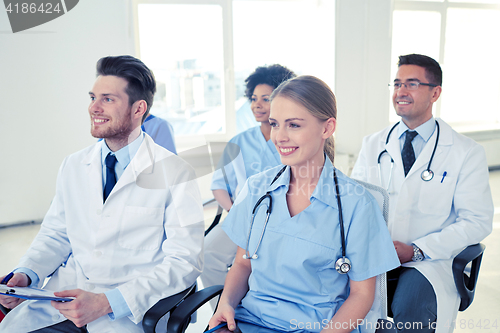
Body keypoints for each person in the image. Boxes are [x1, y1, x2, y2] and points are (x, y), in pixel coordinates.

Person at [0, 55, 204, 332]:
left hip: (124, 313)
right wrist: (26, 274)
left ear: (138, 109)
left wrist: (108, 301)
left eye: (108, 99)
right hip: (63, 302)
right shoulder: (73, 165)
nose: (93, 107)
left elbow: (184, 262)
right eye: (93, 97)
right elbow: (56, 234)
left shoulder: (176, 173)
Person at [208, 75, 400, 333]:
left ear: (327, 128)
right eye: (275, 124)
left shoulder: (357, 205)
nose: (280, 137)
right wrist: (226, 303)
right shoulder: (257, 188)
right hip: (250, 321)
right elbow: (243, 263)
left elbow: (362, 295)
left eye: (294, 125)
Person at [351, 54, 494, 333]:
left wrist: (416, 250)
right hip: (376, 256)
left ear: (435, 92)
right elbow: (357, 203)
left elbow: (476, 221)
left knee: (411, 302)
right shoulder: (374, 144)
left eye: (412, 84)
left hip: (431, 261)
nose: (401, 92)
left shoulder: (466, 152)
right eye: (397, 84)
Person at [201, 65, 296, 290]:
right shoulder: (238, 142)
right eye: (254, 98)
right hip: (242, 218)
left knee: (269, 267)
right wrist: (235, 212)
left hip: (284, 221)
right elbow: (218, 187)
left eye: (266, 98)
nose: (257, 105)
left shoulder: (294, 140)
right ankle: (223, 312)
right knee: (207, 254)